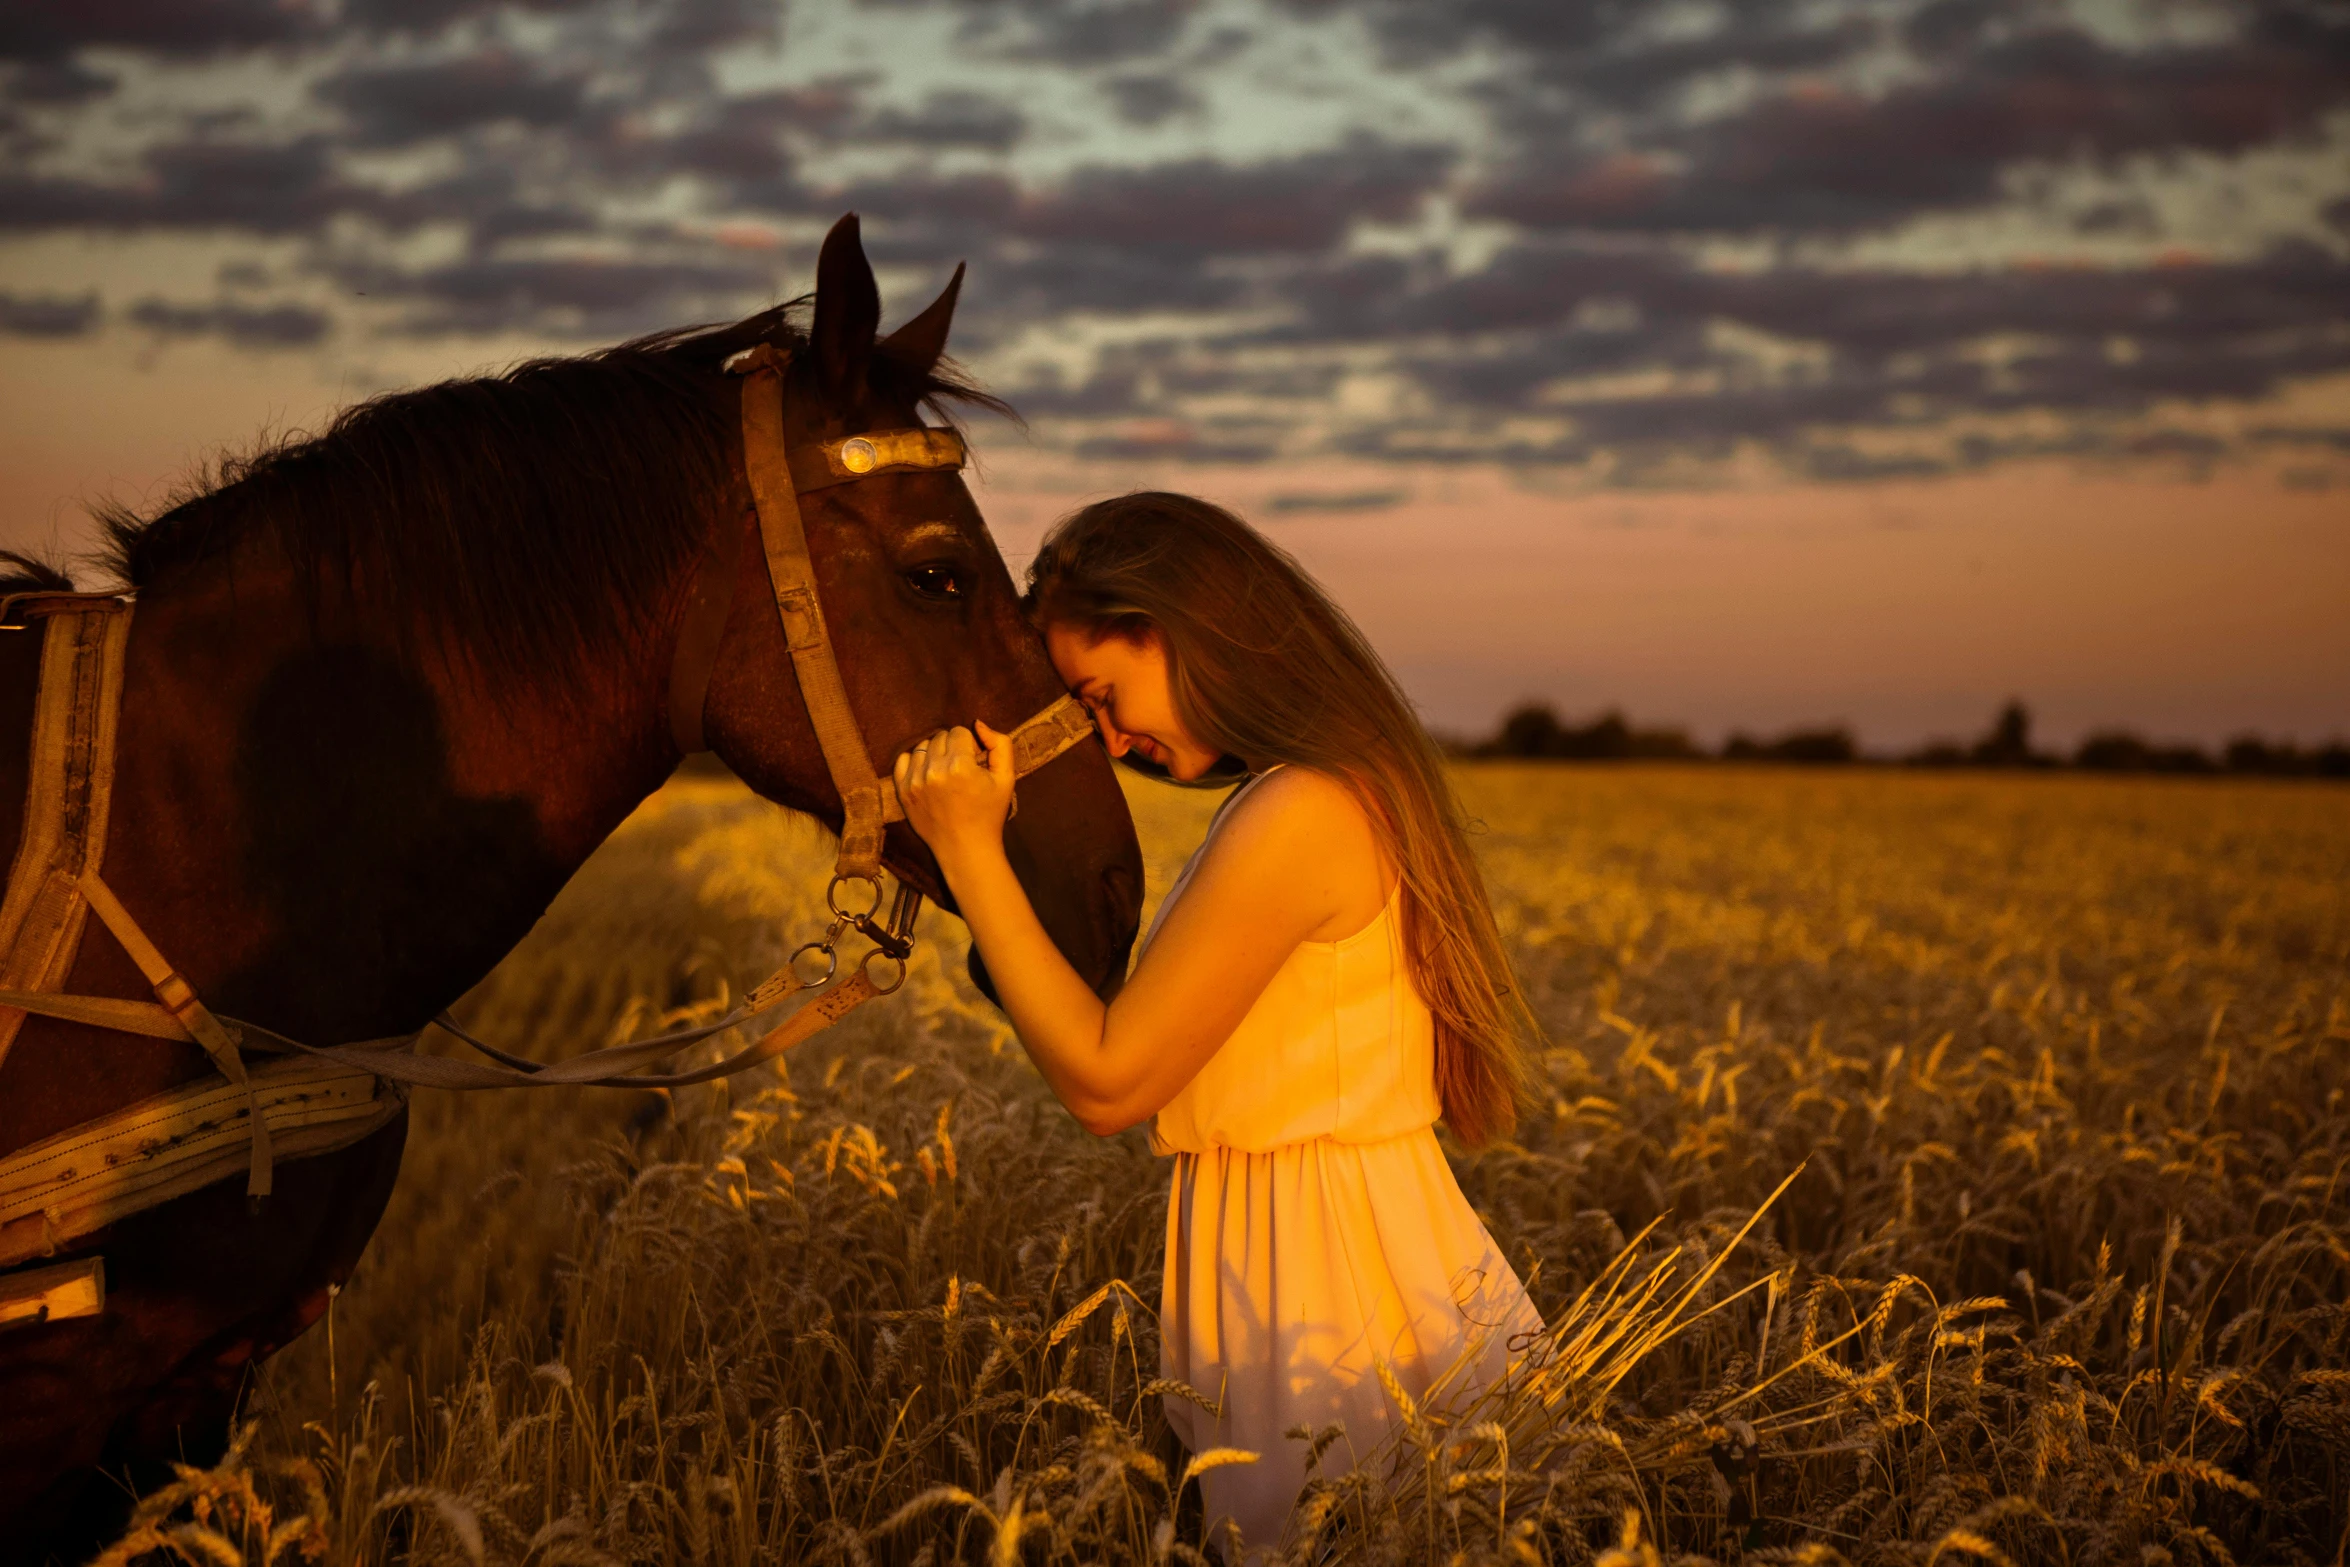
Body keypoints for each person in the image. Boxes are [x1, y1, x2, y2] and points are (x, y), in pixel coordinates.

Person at [896, 492, 1543, 1557]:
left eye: (1101, 694)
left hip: (1326, 1293)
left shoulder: (1304, 811)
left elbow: (1108, 1083)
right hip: (1320, 1252)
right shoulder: (1320, 789)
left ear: (1174, 624)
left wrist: (964, 846)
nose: (1107, 737)